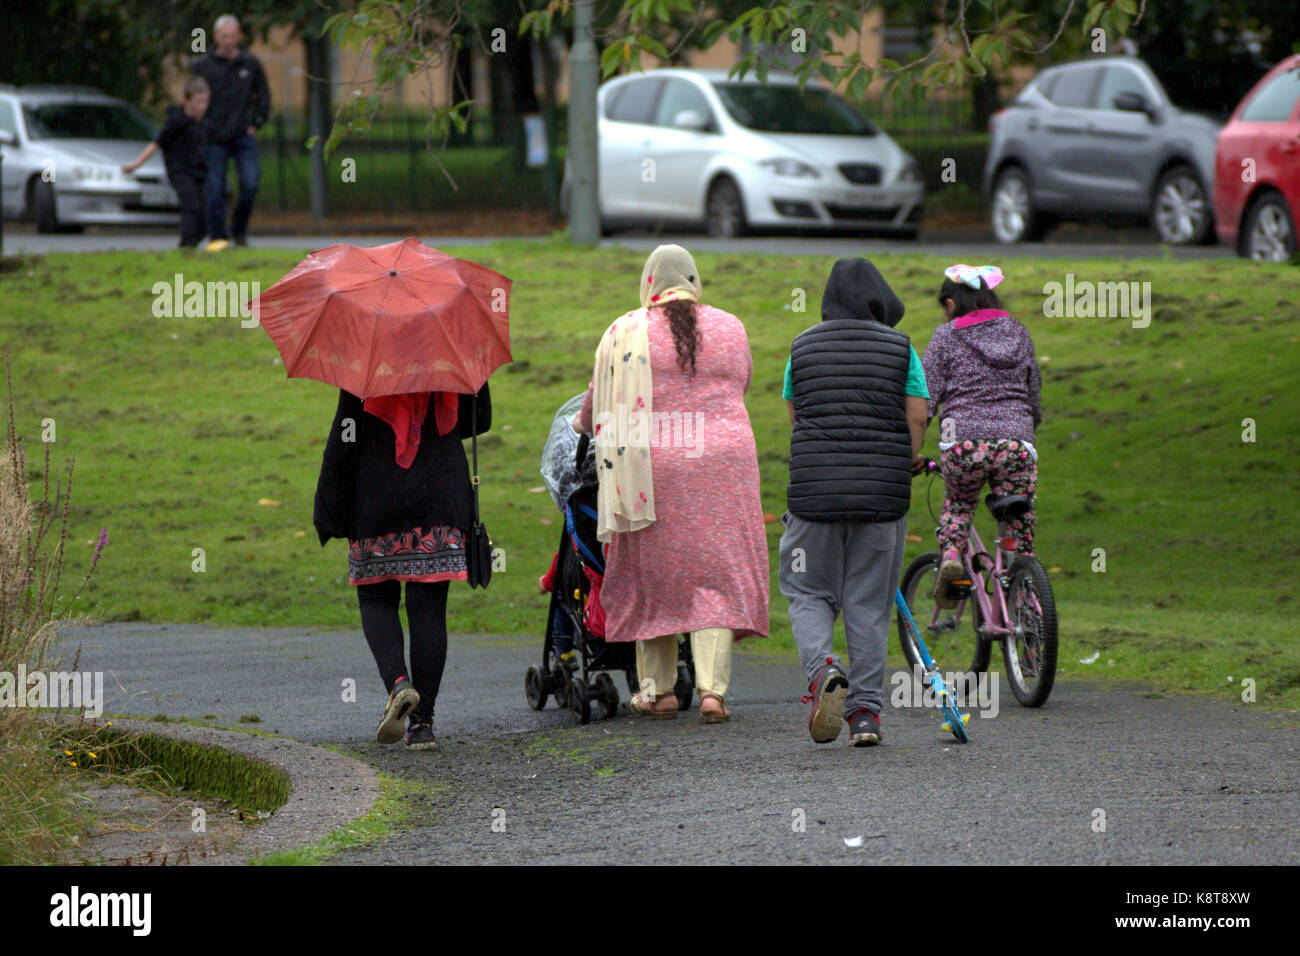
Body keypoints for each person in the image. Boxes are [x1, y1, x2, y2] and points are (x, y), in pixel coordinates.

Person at [574, 244, 768, 722]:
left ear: (649, 285)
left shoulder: (624, 331)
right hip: (725, 463)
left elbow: (596, 406)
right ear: (695, 282)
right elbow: (741, 382)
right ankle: (711, 693)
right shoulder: (731, 326)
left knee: (652, 576)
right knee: (716, 578)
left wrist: (582, 427)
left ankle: (658, 692)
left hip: (651, 469)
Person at [779, 258, 929, 747]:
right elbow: (918, 417)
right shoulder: (901, 348)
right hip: (881, 501)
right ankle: (864, 716)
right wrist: (905, 460)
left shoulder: (801, 346)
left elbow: (795, 414)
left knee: (806, 591)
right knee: (868, 604)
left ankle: (824, 670)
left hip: (813, 500)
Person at [314, 385, 491, 749]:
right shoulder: (452, 350)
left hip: (377, 497)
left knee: (377, 598)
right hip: (440, 498)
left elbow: (344, 433)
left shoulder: (367, 364)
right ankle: (422, 725)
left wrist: (328, 504)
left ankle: (398, 684)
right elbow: (480, 420)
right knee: (428, 610)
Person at [921, 264, 1042, 607]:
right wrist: (1027, 427)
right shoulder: (1017, 330)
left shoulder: (945, 337)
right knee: (1018, 521)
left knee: (959, 504)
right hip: (1016, 441)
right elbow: (1033, 390)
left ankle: (951, 558)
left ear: (950, 302)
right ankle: (1023, 589)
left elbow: (927, 397)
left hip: (963, 441)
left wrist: (914, 444)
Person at [193, 14, 270, 248]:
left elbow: (264, 96)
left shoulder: (250, 64)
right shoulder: (203, 66)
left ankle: (238, 231)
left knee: (250, 182)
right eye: (224, 36)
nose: (228, 40)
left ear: (239, 37)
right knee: (215, 188)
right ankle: (218, 238)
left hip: (242, 136)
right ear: (216, 37)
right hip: (214, 138)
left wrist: (256, 122)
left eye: (232, 36)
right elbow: (193, 97)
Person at [121, 75, 209, 247]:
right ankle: (186, 245)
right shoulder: (176, 122)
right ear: (186, 101)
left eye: (205, 102)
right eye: (198, 102)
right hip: (179, 171)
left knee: (204, 209)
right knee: (190, 204)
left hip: (198, 171)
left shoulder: (203, 123)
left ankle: (195, 241)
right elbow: (156, 144)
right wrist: (136, 164)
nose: (203, 106)